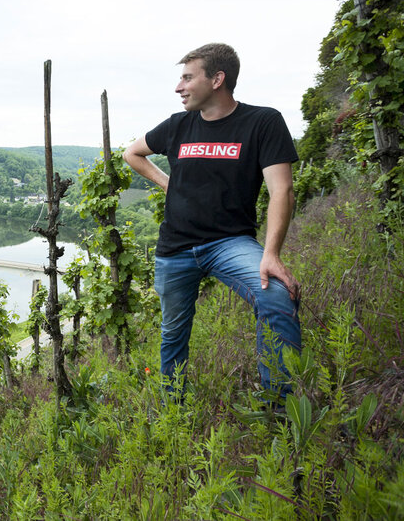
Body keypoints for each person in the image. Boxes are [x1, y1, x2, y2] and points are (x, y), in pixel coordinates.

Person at [122, 43, 301, 400]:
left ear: (217, 79)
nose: (179, 87)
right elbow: (132, 153)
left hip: (229, 243)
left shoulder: (262, 122)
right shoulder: (177, 126)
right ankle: (173, 407)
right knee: (173, 334)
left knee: (278, 297)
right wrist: (169, 184)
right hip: (175, 248)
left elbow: (283, 192)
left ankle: (281, 406)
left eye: (188, 77)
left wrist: (271, 254)